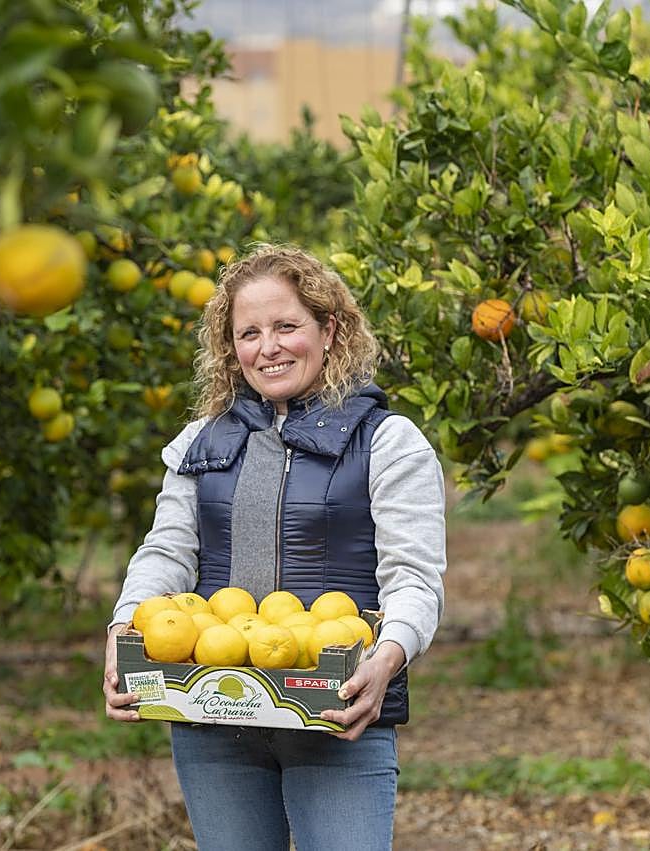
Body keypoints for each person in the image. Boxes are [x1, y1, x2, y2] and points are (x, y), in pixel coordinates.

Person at [102, 244, 446, 850]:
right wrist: (124, 627)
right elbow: (167, 553)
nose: (270, 347)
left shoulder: (390, 442)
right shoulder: (199, 442)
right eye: (249, 333)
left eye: (287, 326)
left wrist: (387, 658)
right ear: (229, 348)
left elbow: (414, 579)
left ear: (328, 328)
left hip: (336, 714)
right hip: (212, 710)